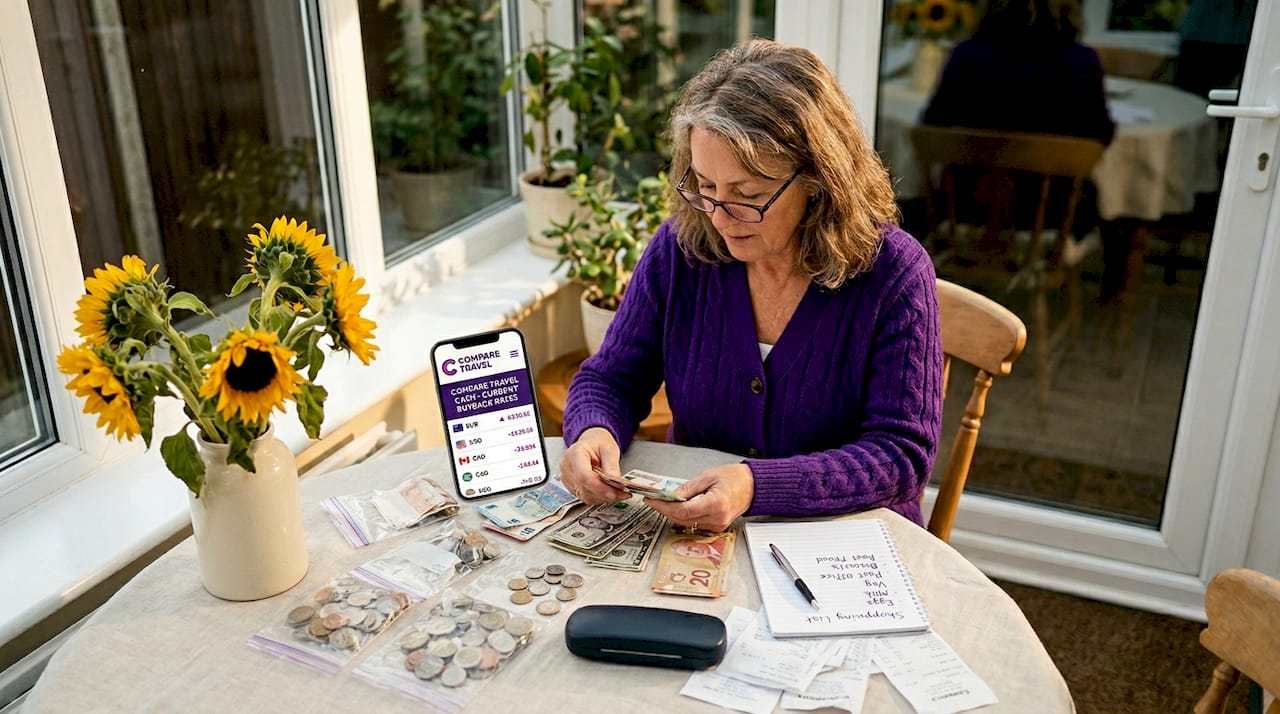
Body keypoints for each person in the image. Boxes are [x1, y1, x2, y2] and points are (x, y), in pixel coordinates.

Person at [557, 39, 944, 533]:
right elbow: (611, 377)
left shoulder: (895, 273)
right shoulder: (681, 250)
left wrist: (756, 485)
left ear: (818, 179)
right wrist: (592, 430)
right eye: (704, 186)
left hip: (846, 545)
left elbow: (901, 455)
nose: (719, 216)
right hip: (699, 530)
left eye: (749, 195)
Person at [921, 0, 1115, 146]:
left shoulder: (967, 55)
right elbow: (1101, 133)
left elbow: (933, 123)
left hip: (970, 190)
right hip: (1058, 193)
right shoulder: (1082, 61)